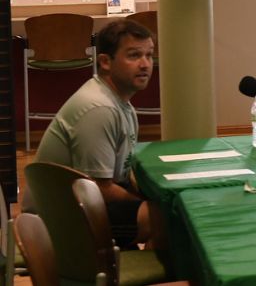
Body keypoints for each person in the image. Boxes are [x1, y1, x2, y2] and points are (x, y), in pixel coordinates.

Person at [26, 20, 162, 249]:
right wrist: (144, 205)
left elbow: (119, 175)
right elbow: (99, 187)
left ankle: (141, 270)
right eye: (134, 55)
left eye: (149, 55)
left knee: (165, 209)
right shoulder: (100, 108)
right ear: (105, 62)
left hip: (84, 201)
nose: (145, 64)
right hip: (62, 216)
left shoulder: (120, 103)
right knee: (169, 219)